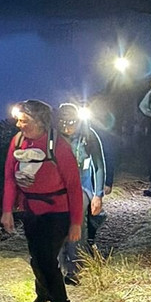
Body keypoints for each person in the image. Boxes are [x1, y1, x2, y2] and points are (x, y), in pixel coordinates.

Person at [0, 99, 84, 302]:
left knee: (46, 260)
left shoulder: (58, 147)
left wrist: (76, 222)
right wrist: (7, 210)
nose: (18, 124)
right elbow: (9, 177)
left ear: (38, 121)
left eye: (24, 120)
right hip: (31, 210)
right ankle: (43, 296)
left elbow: (74, 187)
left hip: (58, 212)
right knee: (37, 258)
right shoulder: (17, 142)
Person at [56, 103, 107, 282]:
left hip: (82, 188)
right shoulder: (52, 137)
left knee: (77, 226)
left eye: (71, 122)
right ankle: (57, 269)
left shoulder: (89, 136)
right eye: (62, 121)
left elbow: (99, 166)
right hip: (57, 190)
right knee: (57, 228)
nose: (66, 126)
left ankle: (74, 269)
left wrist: (98, 194)